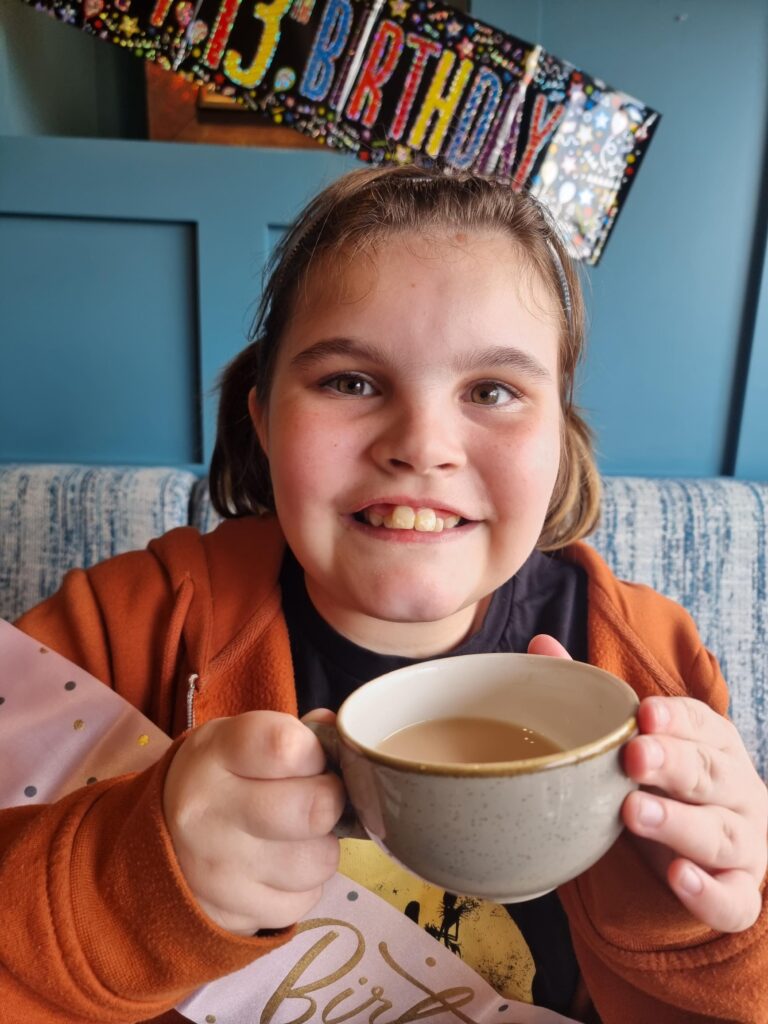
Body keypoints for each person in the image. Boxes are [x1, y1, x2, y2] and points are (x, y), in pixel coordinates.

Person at [5, 165, 767, 1024]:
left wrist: (709, 925)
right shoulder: (129, 628)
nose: (422, 444)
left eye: (492, 391)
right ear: (262, 419)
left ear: (559, 436)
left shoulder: (650, 664)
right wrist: (133, 883)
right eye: (351, 382)